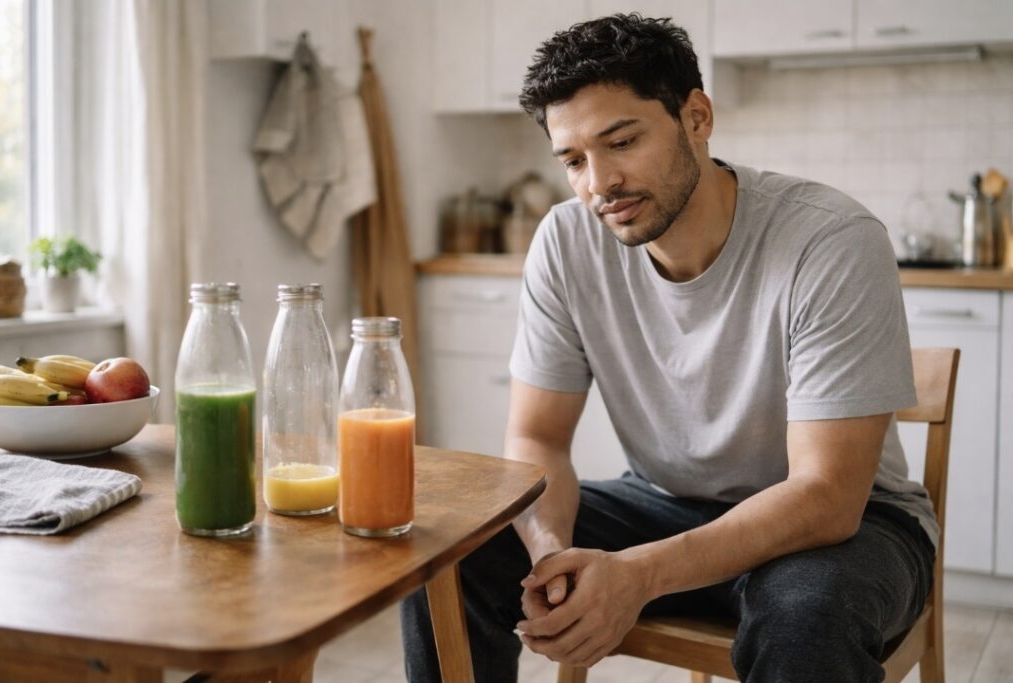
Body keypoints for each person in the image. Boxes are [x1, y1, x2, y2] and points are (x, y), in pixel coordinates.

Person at [401, 13, 935, 683]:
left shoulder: (830, 241)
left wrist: (639, 573)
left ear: (697, 117)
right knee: (449, 553)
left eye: (621, 141)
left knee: (805, 617)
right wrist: (551, 556)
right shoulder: (566, 244)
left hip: (850, 528)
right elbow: (537, 438)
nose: (599, 182)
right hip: (663, 500)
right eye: (573, 159)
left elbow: (827, 495)